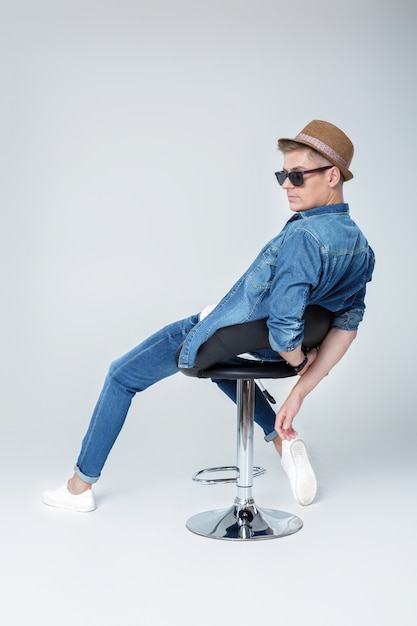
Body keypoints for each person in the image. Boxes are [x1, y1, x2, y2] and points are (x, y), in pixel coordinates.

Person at [42, 119, 375, 512]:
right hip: (253, 345)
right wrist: (297, 391)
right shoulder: (361, 247)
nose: (286, 184)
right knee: (225, 358)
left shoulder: (305, 236)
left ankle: (79, 487)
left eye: (297, 176)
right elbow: (346, 327)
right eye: (282, 175)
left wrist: (298, 358)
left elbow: (285, 327)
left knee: (121, 376)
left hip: (231, 334)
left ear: (332, 176)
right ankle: (280, 436)